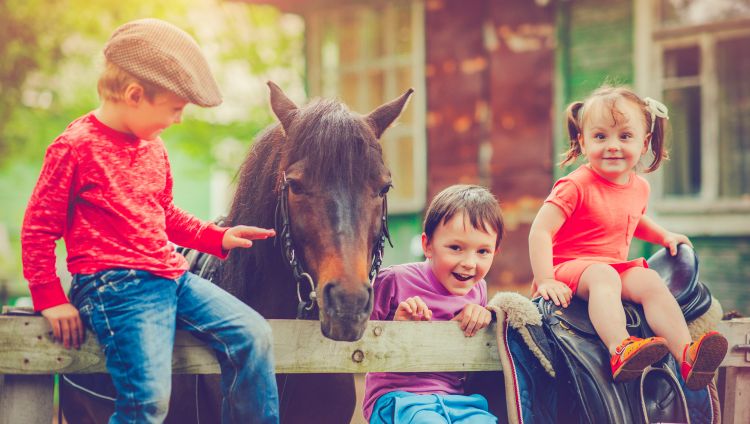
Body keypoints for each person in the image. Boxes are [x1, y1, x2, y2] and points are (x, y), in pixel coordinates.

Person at [21, 18, 279, 423]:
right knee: (148, 402)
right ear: (135, 94)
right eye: (175, 109)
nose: (178, 120)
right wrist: (49, 297)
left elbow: (165, 214)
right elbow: (38, 228)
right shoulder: (74, 148)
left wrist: (218, 237)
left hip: (173, 279)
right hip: (115, 287)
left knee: (254, 336)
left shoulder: (153, 148)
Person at [528, 85, 727, 389]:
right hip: (568, 268)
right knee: (604, 275)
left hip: (610, 268)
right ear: (582, 141)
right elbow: (541, 230)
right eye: (600, 136)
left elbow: (632, 218)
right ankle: (620, 348)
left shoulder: (639, 187)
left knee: (649, 281)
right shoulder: (575, 185)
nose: (612, 146)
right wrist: (545, 280)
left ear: (644, 142)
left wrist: (664, 236)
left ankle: (686, 355)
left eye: (624, 136)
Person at [363, 184, 503, 423]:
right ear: (428, 245)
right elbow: (359, 341)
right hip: (398, 399)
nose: (470, 263)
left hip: (457, 400)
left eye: (483, 251)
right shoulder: (394, 281)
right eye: (456, 248)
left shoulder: (479, 290)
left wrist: (484, 314)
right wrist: (395, 329)